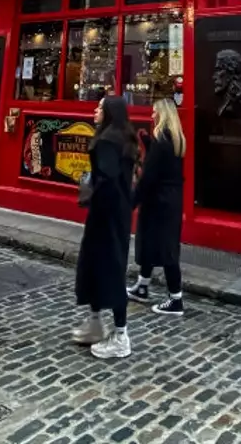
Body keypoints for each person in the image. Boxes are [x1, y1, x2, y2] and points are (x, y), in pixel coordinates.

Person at [72, 94, 137, 359]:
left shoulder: (108, 141)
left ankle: (121, 335)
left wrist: (90, 192)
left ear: (109, 112)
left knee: (108, 267)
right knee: (100, 265)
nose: (94, 110)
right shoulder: (124, 137)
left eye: (99, 107)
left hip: (106, 215)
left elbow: (107, 180)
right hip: (117, 213)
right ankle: (96, 322)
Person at [127, 98, 187, 317]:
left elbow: (149, 177)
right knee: (152, 243)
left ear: (163, 115)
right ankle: (142, 285)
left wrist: (132, 202)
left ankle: (175, 299)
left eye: (155, 113)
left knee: (166, 250)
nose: (152, 116)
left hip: (158, 202)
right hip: (170, 200)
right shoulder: (176, 139)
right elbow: (167, 167)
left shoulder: (161, 141)